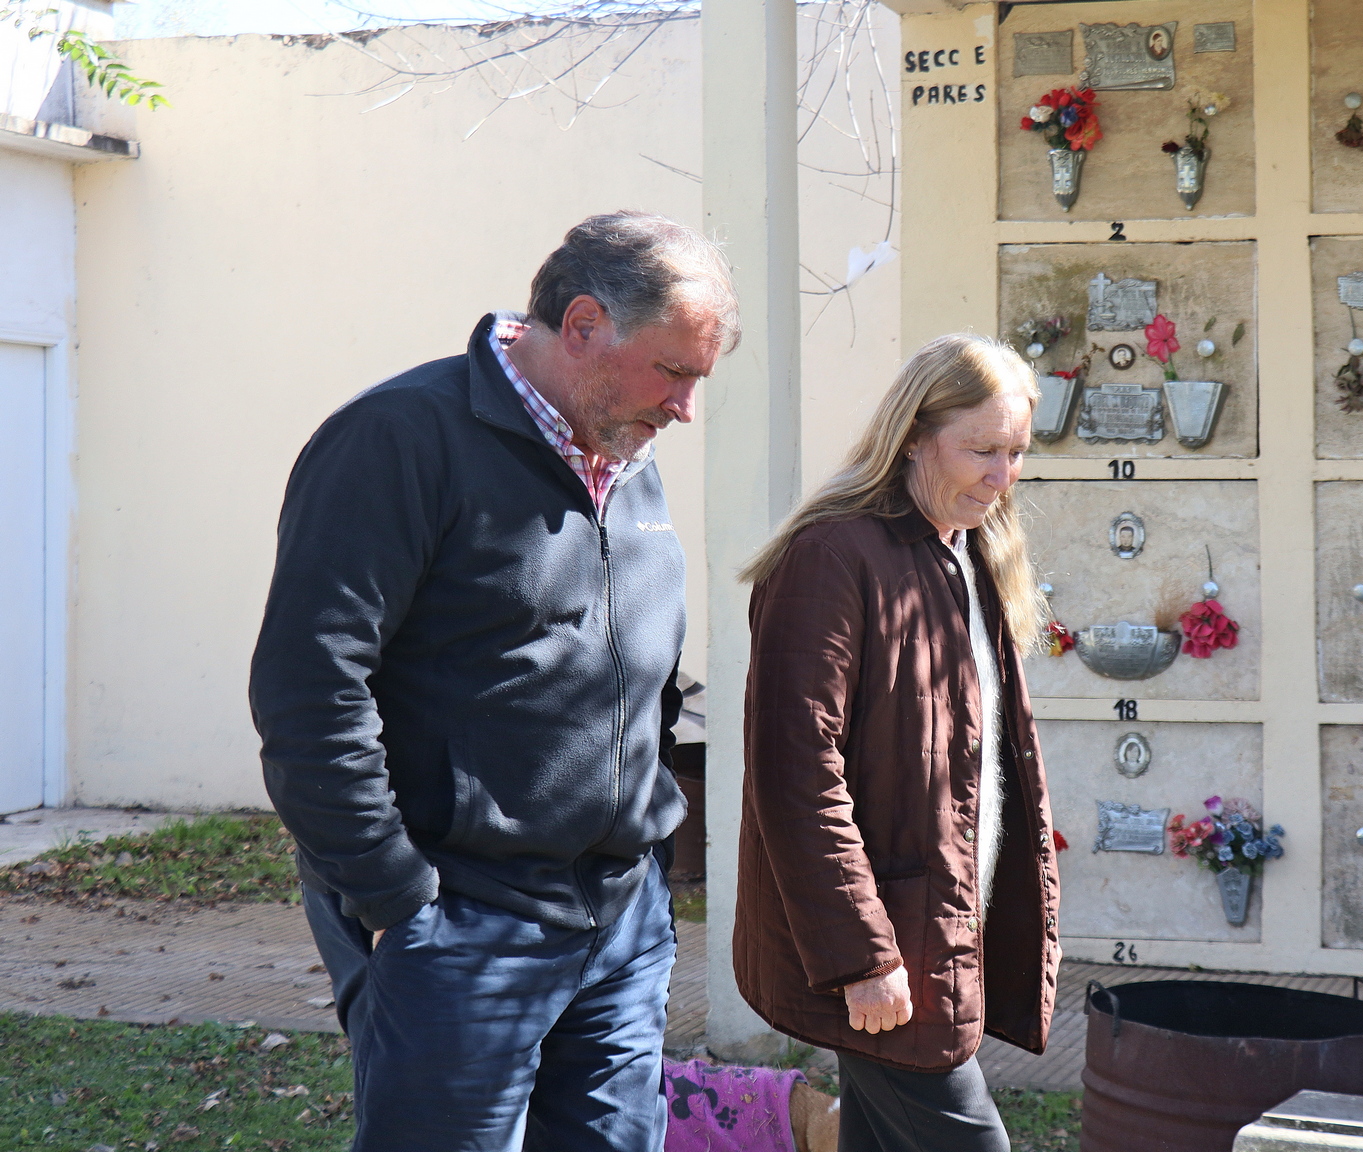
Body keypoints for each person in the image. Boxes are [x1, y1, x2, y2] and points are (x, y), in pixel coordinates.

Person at [250, 211, 736, 1152]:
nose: (684, 407)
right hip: (461, 918)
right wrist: (394, 898)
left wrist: (647, 852)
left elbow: (642, 672)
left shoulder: (630, 461)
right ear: (586, 325)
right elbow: (309, 691)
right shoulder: (395, 441)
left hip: (621, 921)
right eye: (674, 372)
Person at [735, 334, 1061, 1152]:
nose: (1003, 474)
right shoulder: (832, 558)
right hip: (888, 947)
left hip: (939, 924)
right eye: (981, 449)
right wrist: (861, 957)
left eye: (1017, 452)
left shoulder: (972, 552)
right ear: (913, 435)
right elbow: (794, 773)